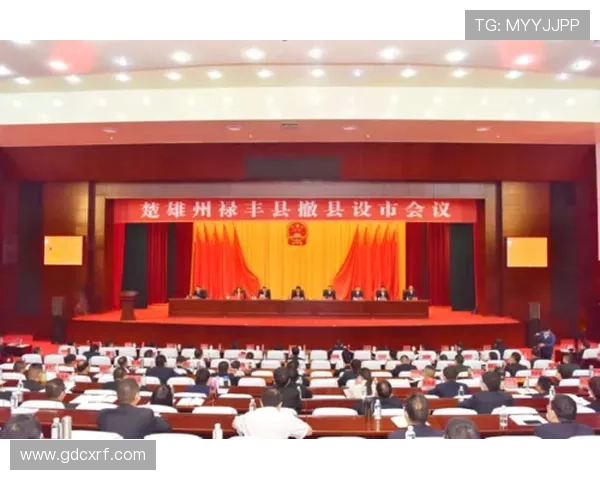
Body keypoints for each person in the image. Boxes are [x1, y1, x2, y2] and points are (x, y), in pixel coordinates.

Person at [97, 378, 171, 440]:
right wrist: (156, 417)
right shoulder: (146, 414)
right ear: (137, 396)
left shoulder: (103, 415)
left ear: (117, 396)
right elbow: (166, 427)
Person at [232, 388, 312, 439]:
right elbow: (308, 431)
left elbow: (234, 424)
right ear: (280, 404)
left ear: (261, 402)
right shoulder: (287, 417)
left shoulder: (248, 416)